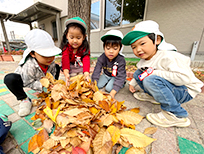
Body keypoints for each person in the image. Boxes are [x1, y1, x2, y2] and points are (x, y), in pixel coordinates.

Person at [121, 20, 203, 127]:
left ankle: (176, 114)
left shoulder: (168, 56)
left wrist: (156, 73)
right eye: (134, 47)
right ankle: (153, 96)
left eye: (142, 43)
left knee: (150, 79)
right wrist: (132, 83)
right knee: (138, 74)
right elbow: (141, 73)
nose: (138, 49)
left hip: (185, 91)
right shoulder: (145, 60)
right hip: (171, 88)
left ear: (157, 40)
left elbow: (184, 78)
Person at [4, 29, 62, 117]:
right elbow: (28, 82)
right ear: (33, 53)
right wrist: (43, 85)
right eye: (45, 55)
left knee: (57, 67)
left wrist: (52, 83)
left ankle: (52, 90)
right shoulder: (29, 65)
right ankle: (24, 100)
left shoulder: (51, 63)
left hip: (41, 78)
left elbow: (53, 73)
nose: (50, 58)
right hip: (25, 80)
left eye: (52, 54)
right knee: (10, 79)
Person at [91, 30, 126, 98]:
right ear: (104, 48)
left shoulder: (121, 60)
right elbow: (96, 71)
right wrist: (93, 84)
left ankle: (122, 83)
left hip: (116, 76)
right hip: (106, 75)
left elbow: (120, 76)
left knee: (109, 89)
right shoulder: (102, 57)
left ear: (120, 49)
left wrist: (113, 92)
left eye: (115, 48)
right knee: (98, 85)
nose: (111, 51)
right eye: (108, 48)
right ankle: (109, 81)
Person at [60, 17, 90, 85]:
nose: (75, 41)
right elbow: (65, 60)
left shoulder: (84, 47)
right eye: (72, 37)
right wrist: (66, 73)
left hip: (79, 64)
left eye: (78, 38)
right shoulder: (66, 47)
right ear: (66, 36)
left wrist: (86, 73)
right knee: (72, 77)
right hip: (69, 65)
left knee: (83, 76)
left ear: (84, 37)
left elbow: (86, 59)